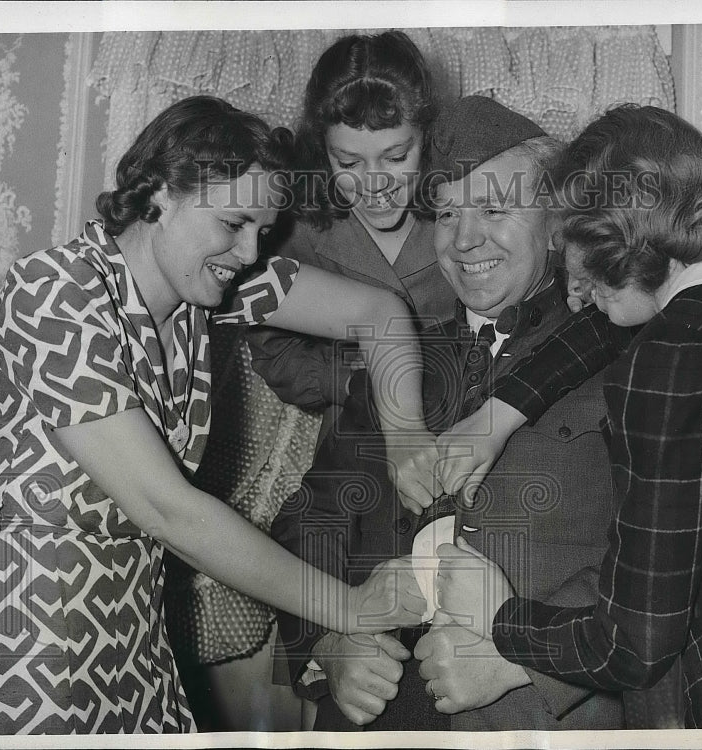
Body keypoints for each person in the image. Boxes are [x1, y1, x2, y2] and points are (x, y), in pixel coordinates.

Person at [0, 95, 431, 735]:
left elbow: (380, 316)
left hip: (138, 616)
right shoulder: (54, 292)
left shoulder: (201, 295)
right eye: (234, 222)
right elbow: (168, 510)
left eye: (262, 230)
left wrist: (405, 438)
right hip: (42, 620)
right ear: (161, 192)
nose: (247, 250)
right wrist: (344, 607)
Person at [433, 104, 702, 728]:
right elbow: (612, 328)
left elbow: (632, 644)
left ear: (618, 233)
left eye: (574, 241)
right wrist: (502, 412)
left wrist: (502, 619)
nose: (573, 276)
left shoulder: (671, 356)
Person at [270, 96, 627, 732]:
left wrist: (527, 662)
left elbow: (674, 550)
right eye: (446, 213)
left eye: (495, 209)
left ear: (557, 223)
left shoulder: (625, 348)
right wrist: (329, 640)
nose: (465, 240)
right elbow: (312, 521)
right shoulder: (394, 363)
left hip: (543, 719)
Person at [245, 31, 456, 465]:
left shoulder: (464, 206)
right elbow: (274, 352)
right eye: (349, 163)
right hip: (355, 441)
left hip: (469, 426)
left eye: (396, 158)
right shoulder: (294, 231)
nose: (374, 183)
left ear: (429, 138)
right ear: (322, 152)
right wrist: (355, 381)